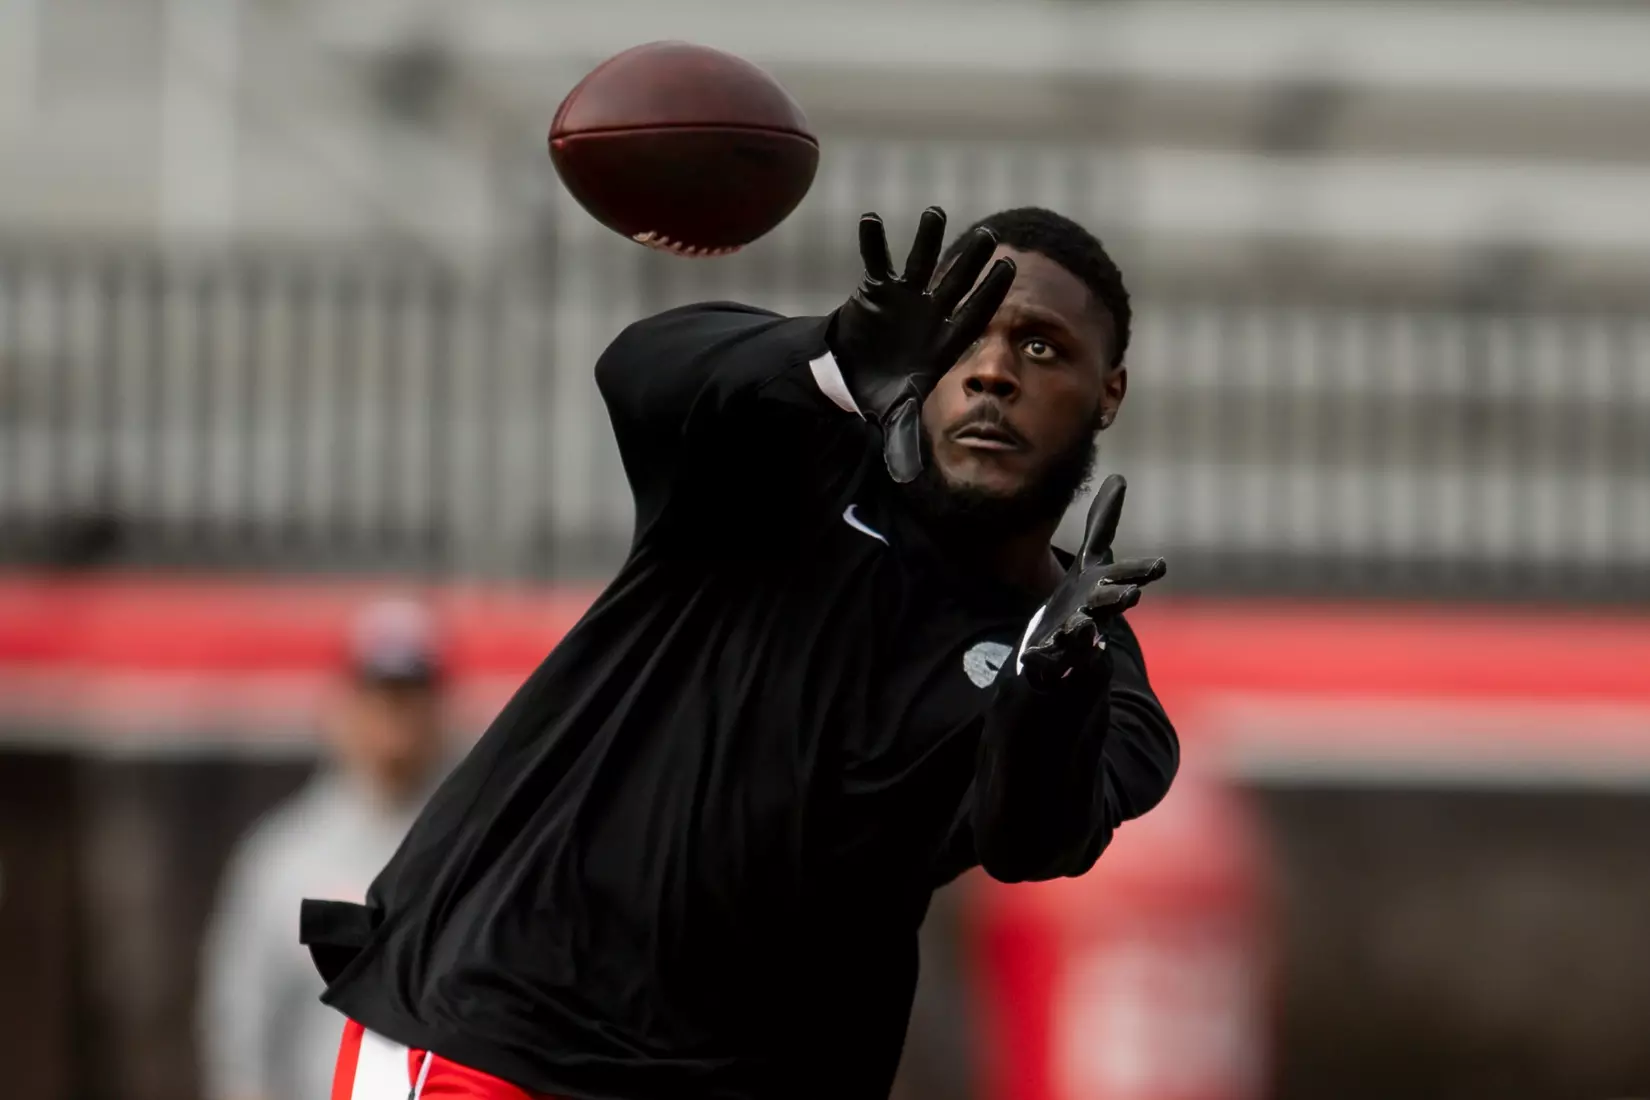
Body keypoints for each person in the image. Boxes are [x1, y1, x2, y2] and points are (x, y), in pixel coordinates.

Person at [306, 206, 1178, 1100]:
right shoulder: (797, 455)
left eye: (1040, 348)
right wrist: (831, 355)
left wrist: (1051, 685)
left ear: (1108, 390)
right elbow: (640, 371)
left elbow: (1032, 840)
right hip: (505, 1034)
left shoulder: (1083, 656)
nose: (992, 371)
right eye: (968, 334)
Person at [199, 598, 452, 1100]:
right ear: (345, 702)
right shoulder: (286, 857)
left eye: (411, 695)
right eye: (381, 694)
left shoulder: (471, 850)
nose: (395, 717)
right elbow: (241, 1030)